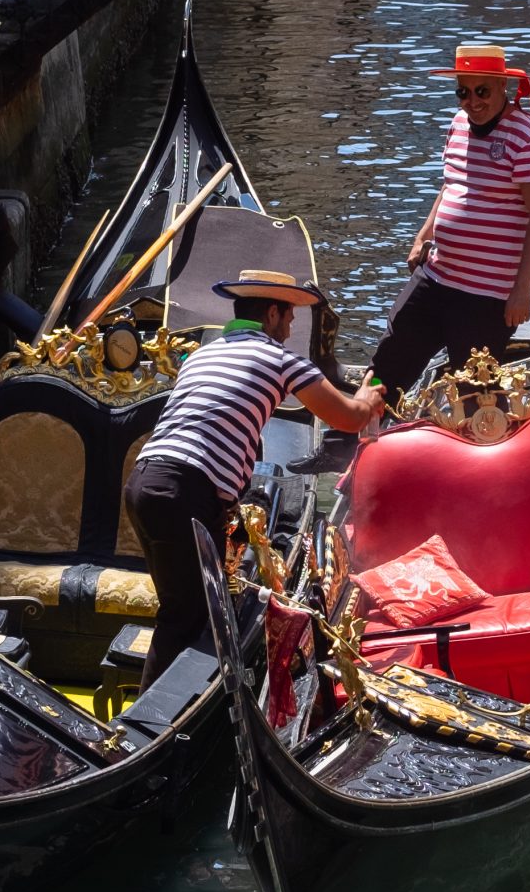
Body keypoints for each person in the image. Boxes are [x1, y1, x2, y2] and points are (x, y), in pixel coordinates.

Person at [122, 269, 384, 686]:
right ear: (273, 313)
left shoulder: (205, 353)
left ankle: (187, 705)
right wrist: (367, 399)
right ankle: (148, 730)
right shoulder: (278, 359)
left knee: (185, 606)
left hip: (144, 483)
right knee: (186, 616)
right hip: (184, 491)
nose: (293, 326)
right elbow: (346, 418)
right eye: (290, 316)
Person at [369, 42, 530, 396]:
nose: (472, 101)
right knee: (386, 364)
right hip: (437, 275)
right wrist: (422, 236)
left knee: (474, 393)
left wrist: (522, 290)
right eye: (463, 92)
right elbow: (450, 184)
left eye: (482, 90)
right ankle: (350, 442)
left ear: (503, 87)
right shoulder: (458, 124)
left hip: (487, 295)